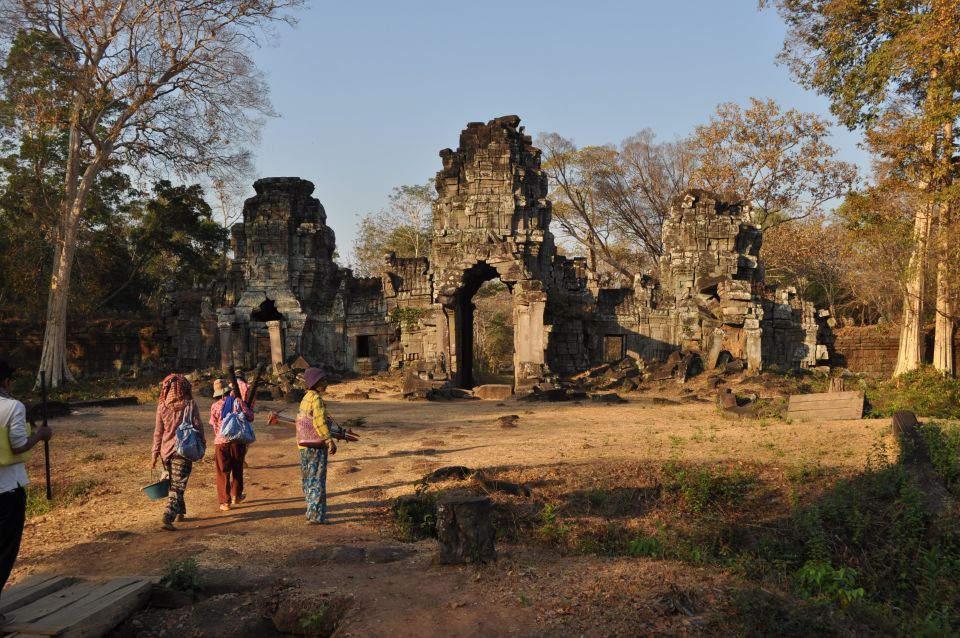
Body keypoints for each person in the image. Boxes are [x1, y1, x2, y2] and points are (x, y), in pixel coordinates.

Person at [0, 360, 52, 621]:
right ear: (6, 382)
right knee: (4, 549)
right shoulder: (12, 407)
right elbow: (19, 445)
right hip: (7, 489)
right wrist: (41, 434)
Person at [151, 373, 205, 531]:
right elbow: (198, 425)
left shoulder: (162, 407)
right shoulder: (190, 404)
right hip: (185, 450)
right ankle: (167, 516)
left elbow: (158, 433)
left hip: (166, 452)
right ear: (185, 387)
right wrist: (202, 443)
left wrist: (154, 454)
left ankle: (180, 512)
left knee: (174, 483)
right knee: (178, 484)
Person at [298, 367, 337, 524]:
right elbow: (319, 422)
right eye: (323, 381)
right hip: (316, 446)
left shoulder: (306, 398)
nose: (326, 384)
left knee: (308, 479)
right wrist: (329, 440)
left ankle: (310, 512)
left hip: (304, 446)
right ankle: (316, 516)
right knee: (317, 480)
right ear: (315, 383)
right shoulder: (317, 400)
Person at [209, 378, 252, 511]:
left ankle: (224, 502)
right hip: (237, 442)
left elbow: (215, 426)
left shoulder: (214, 406)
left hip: (221, 443)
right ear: (228, 391)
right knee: (237, 468)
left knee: (222, 472)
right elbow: (250, 417)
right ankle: (236, 496)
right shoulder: (238, 401)